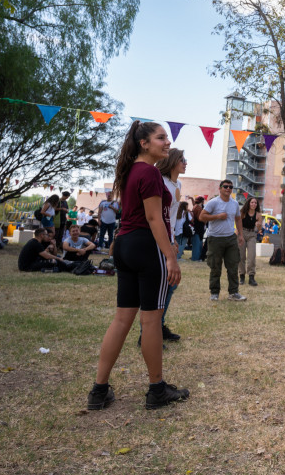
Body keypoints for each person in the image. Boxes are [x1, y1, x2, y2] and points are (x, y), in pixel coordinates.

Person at [87, 121, 189, 411]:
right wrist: (170, 256)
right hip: (146, 247)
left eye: (166, 138)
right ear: (144, 143)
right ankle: (156, 390)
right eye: (161, 138)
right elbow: (155, 218)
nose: (167, 143)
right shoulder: (150, 174)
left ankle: (99, 390)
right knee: (151, 320)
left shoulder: (131, 170)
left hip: (126, 245)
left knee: (122, 319)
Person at [154, 149, 186, 342]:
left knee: (171, 284)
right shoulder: (160, 182)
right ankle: (149, 333)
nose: (185, 162)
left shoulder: (178, 184)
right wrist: (167, 239)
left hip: (170, 238)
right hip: (158, 239)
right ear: (173, 161)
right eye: (182, 159)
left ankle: (159, 325)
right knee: (159, 286)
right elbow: (157, 215)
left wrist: (173, 238)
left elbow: (171, 217)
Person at [199, 180, 246, 302]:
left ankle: (234, 292)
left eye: (230, 187)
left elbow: (238, 219)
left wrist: (240, 234)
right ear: (220, 188)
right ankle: (214, 292)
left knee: (233, 266)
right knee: (215, 266)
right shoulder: (213, 203)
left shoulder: (234, 203)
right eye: (225, 186)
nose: (228, 188)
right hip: (215, 238)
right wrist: (217, 216)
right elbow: (202, 216)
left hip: (230, 238)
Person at [238, 196, 263, 287]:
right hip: (242, 233)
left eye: (255, 203)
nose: (254, 204)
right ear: (249, 203)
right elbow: (238, 223)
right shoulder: (243, 213)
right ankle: (242, 276)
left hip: (252, 234)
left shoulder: (258, 215)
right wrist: (239, 235)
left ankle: (251, 277)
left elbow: (259, 229)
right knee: (241, 256)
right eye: (252, 202)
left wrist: (259, 225)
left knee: (251, 256)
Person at [190, 196, 205, 261]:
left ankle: (196, 257)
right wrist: (206, 220)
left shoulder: (195, 206)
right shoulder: (199, 208)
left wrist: (191, 199)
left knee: (197, 243)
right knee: (197, 243)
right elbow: (200, 218)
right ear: (202, 201)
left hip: (196, 227)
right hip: (199, 227)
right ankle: (195, 257)